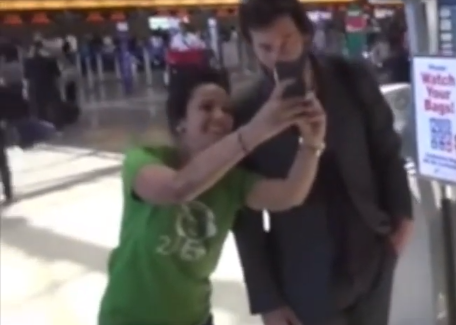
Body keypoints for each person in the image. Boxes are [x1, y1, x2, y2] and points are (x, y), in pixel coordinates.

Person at [231, 0, 413, 325]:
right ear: (251, 46)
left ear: (304, 34)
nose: (277, 56)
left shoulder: (351, 78)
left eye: (286, 41)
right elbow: (245, 216)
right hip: (303, 271)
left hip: (371, 250)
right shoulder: (247, 111)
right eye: (265, 47)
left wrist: (402, 219)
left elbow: (386, 150)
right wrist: (267, 300)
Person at [97, 67, 326, 325]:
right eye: (206, 107)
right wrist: (255, 131)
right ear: (181, 122)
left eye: (227, 110)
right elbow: (176, 189)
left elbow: (290, 194)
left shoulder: (233, 182)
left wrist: (311, 145)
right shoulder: (145, 158)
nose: (219, 116)